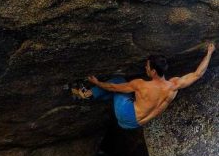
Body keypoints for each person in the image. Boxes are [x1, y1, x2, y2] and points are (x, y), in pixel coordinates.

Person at [71, 43, 216, 129]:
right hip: (134, 124)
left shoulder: (141, 85)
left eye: (147, 67)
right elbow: (198, 74)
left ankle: (86, 94)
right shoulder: (174, 86)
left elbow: (113, 87)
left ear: (153, 71)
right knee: (117, 94)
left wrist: (97, 82)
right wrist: (209, 52)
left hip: (125, 114)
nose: (145, 68)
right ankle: (95, 96)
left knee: (117, 80)